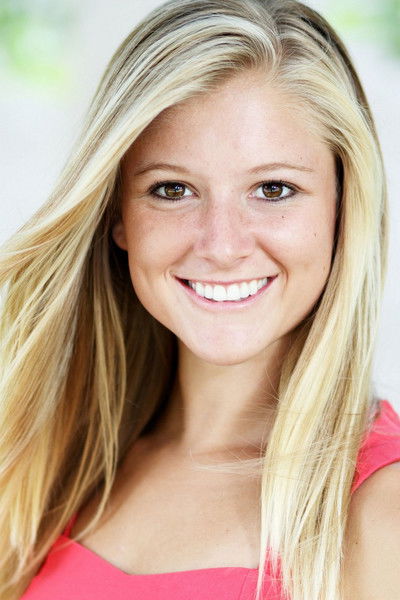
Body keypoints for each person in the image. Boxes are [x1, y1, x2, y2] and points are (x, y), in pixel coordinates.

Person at [1, 0, 399, 598]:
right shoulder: (51, 467)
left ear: (343, 208)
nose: (222, 245)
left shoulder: (381, 512)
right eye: (172, 189)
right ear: (117, 214)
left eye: (273, 189)